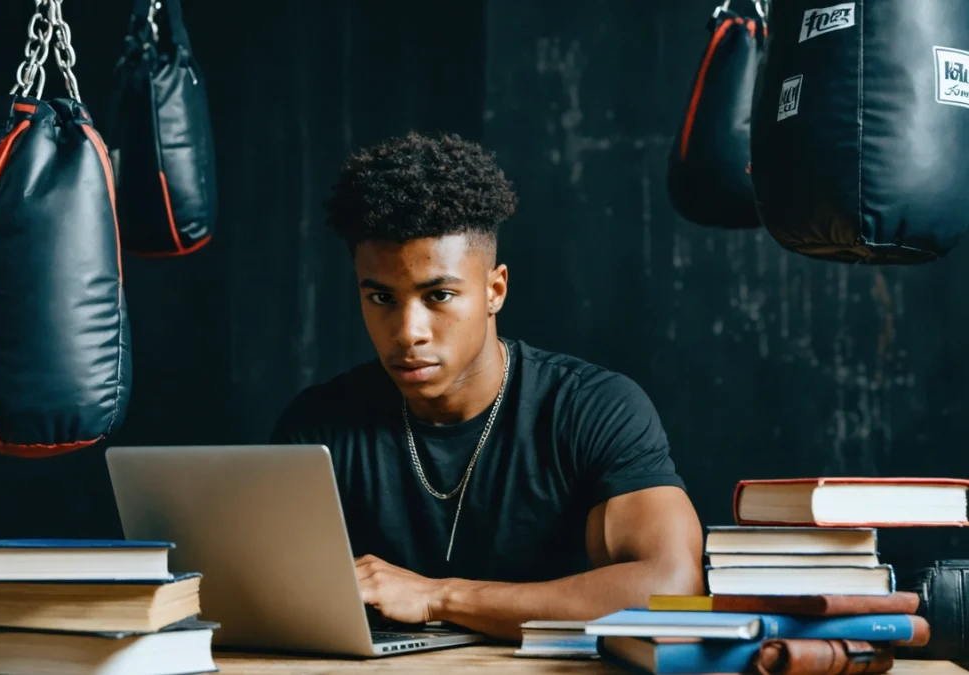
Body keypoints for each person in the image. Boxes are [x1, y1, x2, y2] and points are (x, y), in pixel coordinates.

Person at [269, 131, 704, 642]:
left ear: (494, 289)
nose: (409, 332)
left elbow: (672, 586)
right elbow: (260, 593)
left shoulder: (593, 408)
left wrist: (437, 597)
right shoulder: (319, 425)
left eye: (439, 295)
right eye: (382, 298)